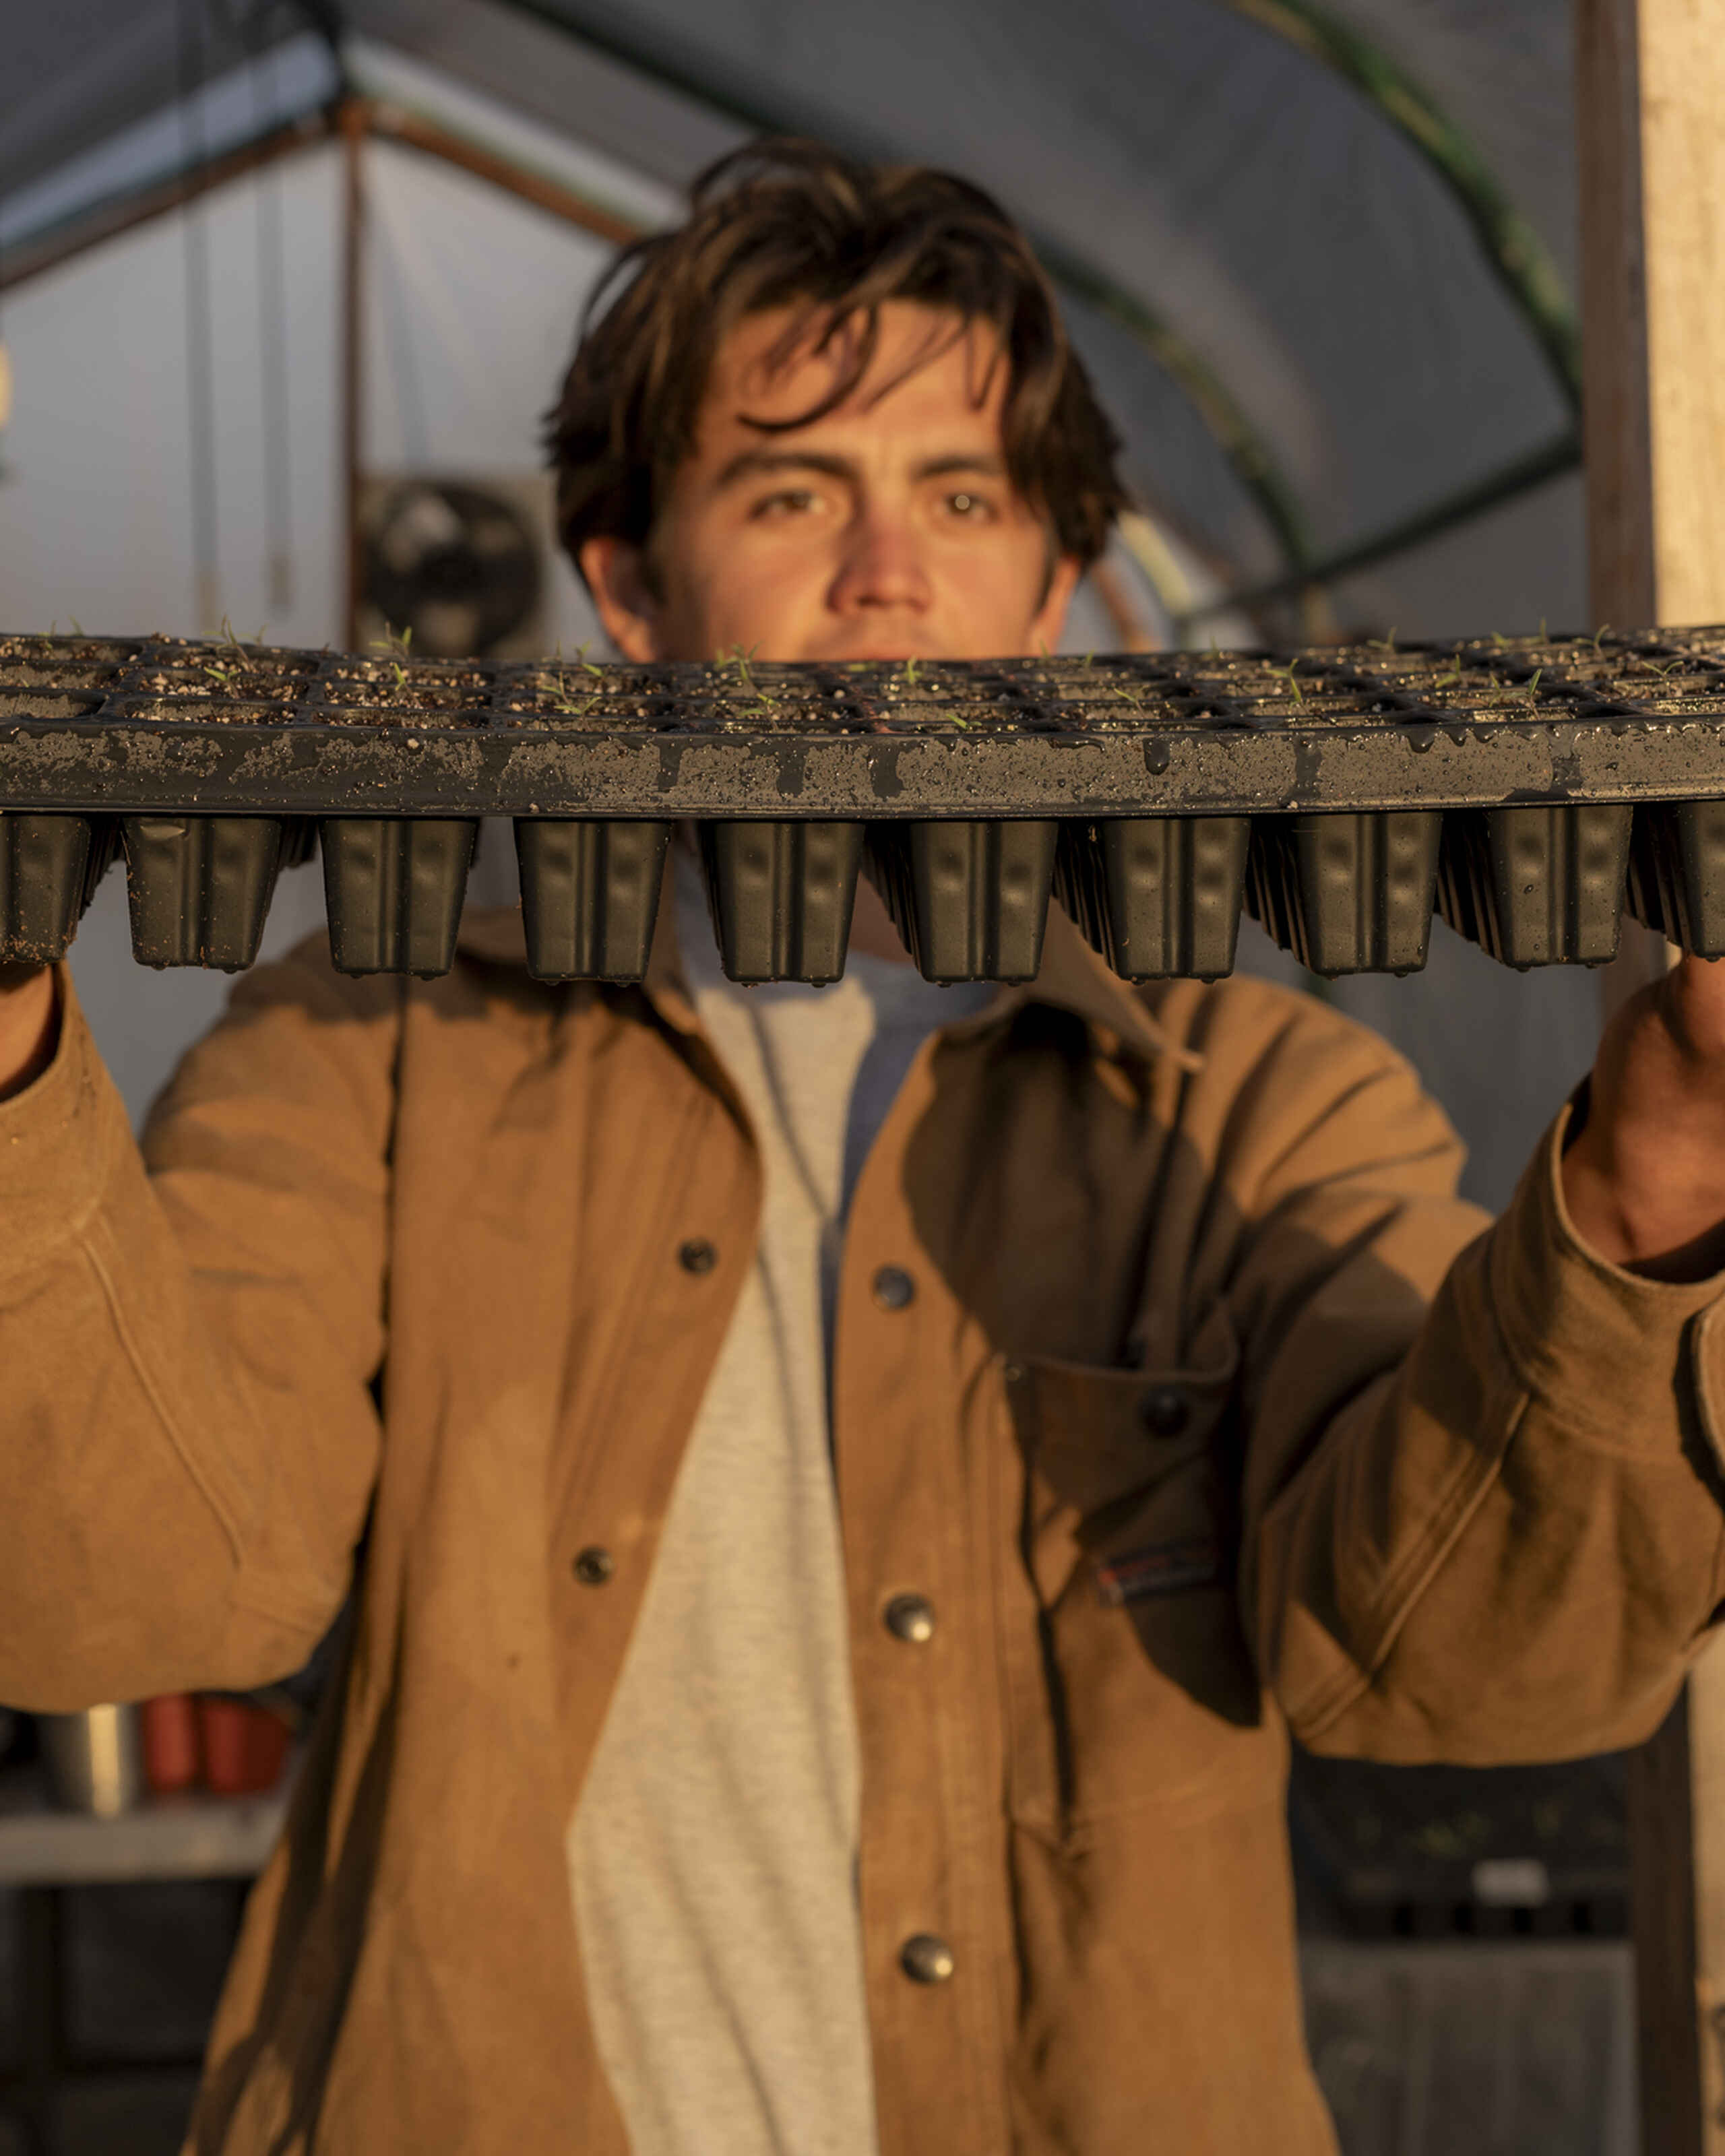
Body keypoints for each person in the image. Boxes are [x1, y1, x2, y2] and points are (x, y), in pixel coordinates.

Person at [3, 138, 1725, 2156]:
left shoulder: (1254, 1108)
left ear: (1056, 589)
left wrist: (1649, 1198)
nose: (887, 573)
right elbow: (125, 1598)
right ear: (631, 585)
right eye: (792, 488)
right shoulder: (371, 1057)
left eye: (963, 495)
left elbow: (1461, 1675)